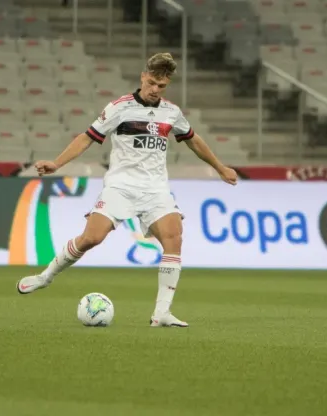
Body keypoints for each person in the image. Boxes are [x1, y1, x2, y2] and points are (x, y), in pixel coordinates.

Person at [16, 52, 238, 328]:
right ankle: (46, 276)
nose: (156, 90)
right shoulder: (119, 108)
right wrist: (57, 163)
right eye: (153, 83)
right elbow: (87, 137)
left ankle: (161, 313)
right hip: (120, 187)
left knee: (174, 238)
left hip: (156, 190)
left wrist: (219, 167)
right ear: (143, 77)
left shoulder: (171, 112)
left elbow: (193, 140)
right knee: (91, 238)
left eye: (162, 86)